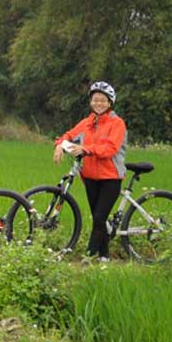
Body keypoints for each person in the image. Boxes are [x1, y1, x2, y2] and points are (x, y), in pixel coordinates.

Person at [53, 81, 126, 262]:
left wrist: (86, 149)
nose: (98, 103)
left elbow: (109, 149)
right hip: (90, 177)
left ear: (110, 103)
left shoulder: (117, 124)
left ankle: (88, 257)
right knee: (98, 218)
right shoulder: (87, 122)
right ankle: (104, 256)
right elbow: (68, 135)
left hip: (110, 178)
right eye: (95, 100)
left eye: (103, 100)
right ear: (91, 102)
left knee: (100, 217)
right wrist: (60, 146)